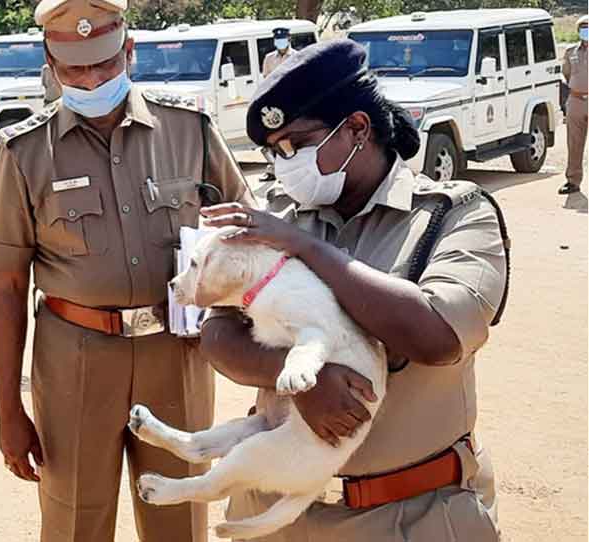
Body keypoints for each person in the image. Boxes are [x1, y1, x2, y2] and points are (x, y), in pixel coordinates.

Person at [199, 39, 508, 541]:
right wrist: (297, 377)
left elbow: (436, 336)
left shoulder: (453, 215)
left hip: (409, 515)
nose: (286, 164)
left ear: (357, 129)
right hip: (276, 513)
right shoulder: (280, 216)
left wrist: (305, 248)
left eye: (297, 144)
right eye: (275, 153)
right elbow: (217, 335)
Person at [0, 1, 254, 541]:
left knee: (180, 517)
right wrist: (8, 410)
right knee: (74, 519)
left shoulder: (189, 130)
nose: (91, 79)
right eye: (74, 70)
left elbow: (246, 234)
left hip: (176, 353)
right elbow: (4, 285)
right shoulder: (26, 151)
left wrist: (250, 352)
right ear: (51, 68)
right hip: (74, 360)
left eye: (104, 65)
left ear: (129, 51)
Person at [259, 27, 297, 183]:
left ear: (289, 39)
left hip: (291, 102)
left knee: (290, 136)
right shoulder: (269, 59)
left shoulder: (296, 56)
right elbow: (266, 80)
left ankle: (293, 169)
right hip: (273, 104)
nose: (279, 42)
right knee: (273, 136)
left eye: (282, 38)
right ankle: (275, 169)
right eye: (277, 39)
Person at [559, 14, 588, 195]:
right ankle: (572, 180)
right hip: (576, 101)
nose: (586, 31)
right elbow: (565, 75)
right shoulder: (571, 52)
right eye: (583, 28)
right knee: (574, 143)